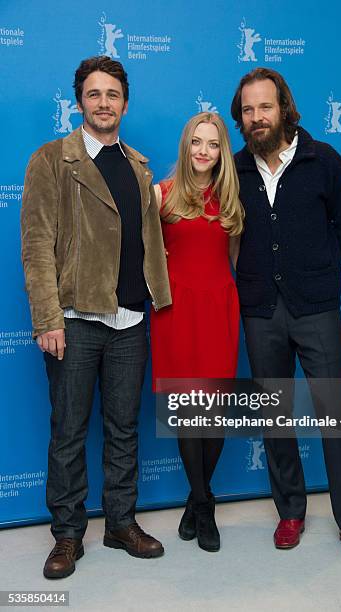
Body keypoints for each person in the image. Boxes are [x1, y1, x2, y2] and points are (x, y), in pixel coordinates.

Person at [21, 56, 171, 579]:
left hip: (130, 320)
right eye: (93, 94)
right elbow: (37, 246)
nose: (103, 103)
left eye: (112, 94)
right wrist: (47, 319)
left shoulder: (138, 165)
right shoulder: (50, 161)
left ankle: (121, 522)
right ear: (79, 101)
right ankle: (67, 535)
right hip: (74, 318)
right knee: (68, 431)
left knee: (124, 428)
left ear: (125, 104)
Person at [230, 68, 341, 561]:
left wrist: (318, 267)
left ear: (284, 108)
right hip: (260, 312)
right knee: (274, 417)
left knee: (336, 417)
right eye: (247, 110)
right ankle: (290, 511)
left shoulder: (322, 159)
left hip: (316, 310)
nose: (256, 117)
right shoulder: (235, 168)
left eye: (264, 107)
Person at [150, 112, 244, 552]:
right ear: (185, 147)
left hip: (219, 307)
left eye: (212, 144)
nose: (203, 151)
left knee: (216, 410)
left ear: (222, 150)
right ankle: (205, 505)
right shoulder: (161, 196)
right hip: (176, 312)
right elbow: (142, 257)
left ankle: (196, 499)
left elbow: (235, 260)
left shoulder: (231, 200)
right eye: (196, 143)